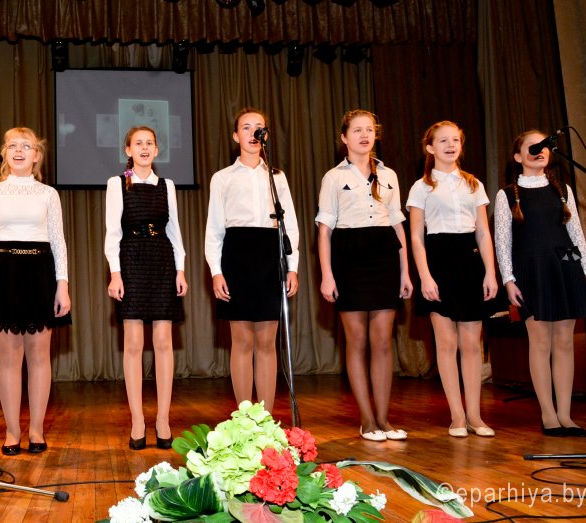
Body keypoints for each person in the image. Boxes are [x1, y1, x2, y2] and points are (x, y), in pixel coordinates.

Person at [316, 109, 413, 442]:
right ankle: (367, 420)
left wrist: (405, 272)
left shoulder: (389, 175)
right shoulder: (333, 177)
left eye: (369, 130)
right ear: (344, 138)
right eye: (357, 130)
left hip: (384, 254)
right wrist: (327, 275)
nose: (364, 135)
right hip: (349, 256)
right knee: (356, 341)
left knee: (383, 341)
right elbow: (325, 230)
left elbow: (398, 225)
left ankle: (384, 420)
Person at [494, 130, 586, 437]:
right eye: (532, 147)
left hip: (565, 268)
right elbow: (503, 241)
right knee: (540, 342)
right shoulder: (507, 195)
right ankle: (548, 415)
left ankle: (565, 414)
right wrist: (508, 279)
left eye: (543, 146)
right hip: (532, 272)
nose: (539, 151)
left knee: (564, 342)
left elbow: (576, 234)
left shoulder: (561, 189)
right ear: (518, 156)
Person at [0, 127, 71, 455]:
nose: (19, 151)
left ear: (37, 155)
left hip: (39, 272)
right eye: (12, 145)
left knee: (39, 356)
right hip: (3, 273)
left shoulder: (48, 194)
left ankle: (36, 430)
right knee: (8, 356)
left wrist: (62, 284)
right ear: (4, 153)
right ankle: (11, 431)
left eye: (26, 146)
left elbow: (58, 240)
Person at [205, 107, 299, 413]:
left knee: (267, 342)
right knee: (242, 341)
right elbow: (214, 229)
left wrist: (292, 267)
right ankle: (244, 417)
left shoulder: (277, 177)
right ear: (236, 136)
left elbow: (289, 225)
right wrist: (216, 271)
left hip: (270, 255)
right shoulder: (222, 178)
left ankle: (266, 418)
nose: (253, 132)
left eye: (259, 127)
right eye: (246, 127)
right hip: (237, 255)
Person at [407, 121, 498, 438]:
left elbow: (483, 232)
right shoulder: (421, 187)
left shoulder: (473, 184)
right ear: (430, 147)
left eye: (455, 140)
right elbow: (416, 237)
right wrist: (425, 276)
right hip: (438, 262)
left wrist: (490, 272)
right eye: (443, 140)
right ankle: (457, 416)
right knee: (446, 344)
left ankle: (475, 415)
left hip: (469, 263)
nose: (450, 145)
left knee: (472, 344)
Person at [105, 126, 188, 450]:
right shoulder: (117, 184)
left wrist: (180, 270)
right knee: (134, 344)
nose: (144, 147)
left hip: (162, 260)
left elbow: (175, 231)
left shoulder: (167, 186)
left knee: (164, 343)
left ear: (156, 150)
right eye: (138, 143)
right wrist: (115, 274)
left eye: (149, 143)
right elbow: (112, 233)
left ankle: (163, 420)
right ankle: (137, 421)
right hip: (131, 261)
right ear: (128, 150)